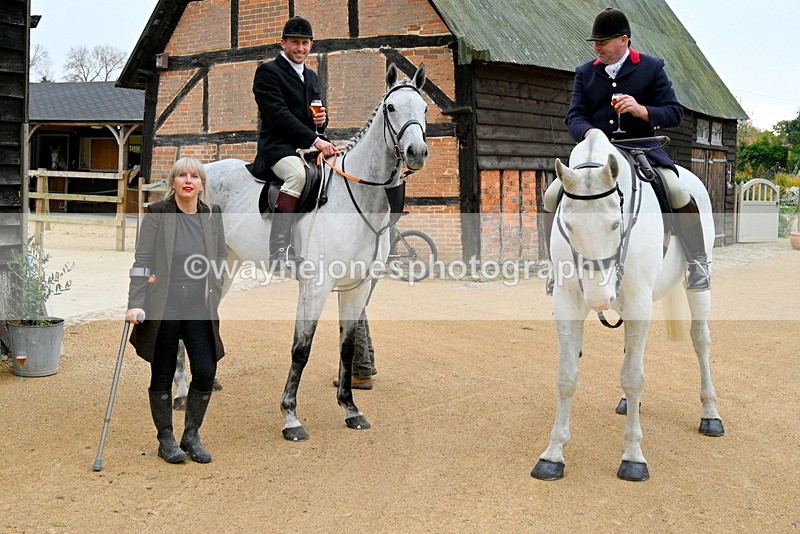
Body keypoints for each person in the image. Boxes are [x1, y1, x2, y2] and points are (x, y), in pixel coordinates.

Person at [542, 7, 710, 294]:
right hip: (595, 154)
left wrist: (642, 110)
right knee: (551, 195)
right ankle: (554, 266)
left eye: (603, 41)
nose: (597, 47)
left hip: (641, 149)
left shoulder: (651, 67)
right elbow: (574, 116)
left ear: (623, 40)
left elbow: (675, 113)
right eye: (594, 42)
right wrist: (590, 132)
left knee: (677, 190)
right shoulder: (585, 73)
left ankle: (697, 262)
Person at [126, 157, 227, 464]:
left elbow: (220, 255)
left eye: (193, 176)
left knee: (206, 370)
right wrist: (136, 302)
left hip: (198, 304)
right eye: (181, 175)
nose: (187, 180)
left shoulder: (212, 215)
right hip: (165, 304)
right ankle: (166, 438)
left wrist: (214, 284)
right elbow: (142, 260)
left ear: (201, 184)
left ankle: (191, 435)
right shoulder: (157, 213)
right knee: (163, 372)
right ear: (172, 183)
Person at [249, 16, 337, 264]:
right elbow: (278, 115)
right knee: (297, 175)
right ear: (283, 43)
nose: (300, 48)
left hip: (308, 146)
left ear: (311, 44)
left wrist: (321, 123)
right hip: (278, 147)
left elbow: (314, 113)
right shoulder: (268, 72)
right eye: (295, 42)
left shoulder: (311, 76)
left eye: (305, 43)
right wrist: (315, 139)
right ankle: (279, 250)